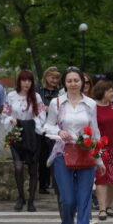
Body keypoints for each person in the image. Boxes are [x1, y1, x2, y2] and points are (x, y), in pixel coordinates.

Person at [42, 67, 105, 224]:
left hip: (86, 153)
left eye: (76, 80)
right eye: (69, 81)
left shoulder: (91, 104)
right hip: (63, 153)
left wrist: (99, 158)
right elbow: (48, 126)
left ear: (82, 83)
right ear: (65, 83)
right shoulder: (57, 103)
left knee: (84, 199)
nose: (73, 84)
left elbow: (95, 131)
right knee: (68, 199)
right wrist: (58, 132)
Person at [1, 70, 46, 212]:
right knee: (19, 167)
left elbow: (41, 115)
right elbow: (4, 114)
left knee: (33, 168)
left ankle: (31, 201)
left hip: (32, 136)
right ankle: (21, 197)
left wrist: (33, 125)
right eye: (24, 80)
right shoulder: (11, 96)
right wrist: (11, 120)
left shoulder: (36, 97)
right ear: (19, 81)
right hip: (17, 135)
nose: (26, 83)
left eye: (29, 80)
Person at [92, 80, 113, 220]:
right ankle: (102, 209)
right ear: (102, 91)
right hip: (100, 146)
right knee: (101, 176)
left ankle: (109, 205)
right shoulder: (93, 107)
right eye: (110, 91)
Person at [37, 67, 62, 195]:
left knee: (55, 155)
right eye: (52, 77)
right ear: (46, 77)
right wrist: (44, 108)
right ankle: (43, 184)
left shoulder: (60, 92)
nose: (54, 80)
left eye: (57, 78)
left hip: (56, 128)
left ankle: (56, 183)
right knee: (43, 156)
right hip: (42, 127)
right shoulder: (39, 90)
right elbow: (36, 104)